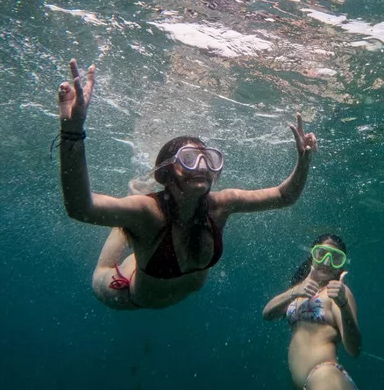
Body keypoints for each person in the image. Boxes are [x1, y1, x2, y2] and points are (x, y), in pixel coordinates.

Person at [56, 58, 317, 310]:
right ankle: (125, 217)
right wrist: (72, 130)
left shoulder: (221, 205)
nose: (202, 166)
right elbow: (81, 208)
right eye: (190, 159)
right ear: (168, 171)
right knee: (121, 234)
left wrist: (303, 163)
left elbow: (284, 196)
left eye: (208, 158)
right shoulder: (148, 211)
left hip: (153, 266)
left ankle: (126, 219)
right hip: (125, 294)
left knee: (131, 219)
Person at [263, 234, 362, 389]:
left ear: (341, 266)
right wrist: (295, 291)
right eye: (321, 254)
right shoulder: (300, 291)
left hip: (326, 378)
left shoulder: (337, 295)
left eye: (335, 258)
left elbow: (354, 349)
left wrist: (343, 305)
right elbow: (267, 314)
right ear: (312, 256)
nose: (327, 262)